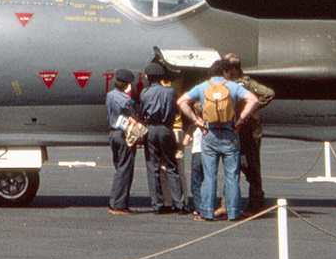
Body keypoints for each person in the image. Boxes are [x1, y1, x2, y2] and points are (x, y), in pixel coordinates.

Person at [176, 60, 262, 222]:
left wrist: (197, 121)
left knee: (209, 176)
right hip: (230, 134)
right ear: (225, 72)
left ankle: (207, 212)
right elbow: (253, 100)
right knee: (232, 176)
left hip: (210, 135)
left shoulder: (202, 87)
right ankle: (234, 212)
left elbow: (181, 102)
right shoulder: (232, 86)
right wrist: (241, 120)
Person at [223, 54, 276, 215]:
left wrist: (252, 109)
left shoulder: (246, 83)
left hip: (248, 132)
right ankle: (228, 204)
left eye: (226, 68)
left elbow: (269, 93)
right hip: (234, 130)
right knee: (232, 167)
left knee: (251, 168)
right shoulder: (228, 83)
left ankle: (256, 203)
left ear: (233, 69)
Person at [138, 69, 185, 214]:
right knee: (171, 165)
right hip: (166, 128)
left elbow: (142, 113)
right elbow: (176, 111)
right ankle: (179, 203)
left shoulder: (145, 93)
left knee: (153, 167)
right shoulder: (171, 92)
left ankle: (158, 204)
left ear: (147, 76)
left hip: (151, 129)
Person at [105, 69, 139, 214]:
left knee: (119, 169)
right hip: (124, 135)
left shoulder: (110, 95)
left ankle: (114, 202)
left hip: (113, 134)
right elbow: (134, 115)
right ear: (125, 85)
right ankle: (119, 205)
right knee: (125, 170)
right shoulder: (126, 100)